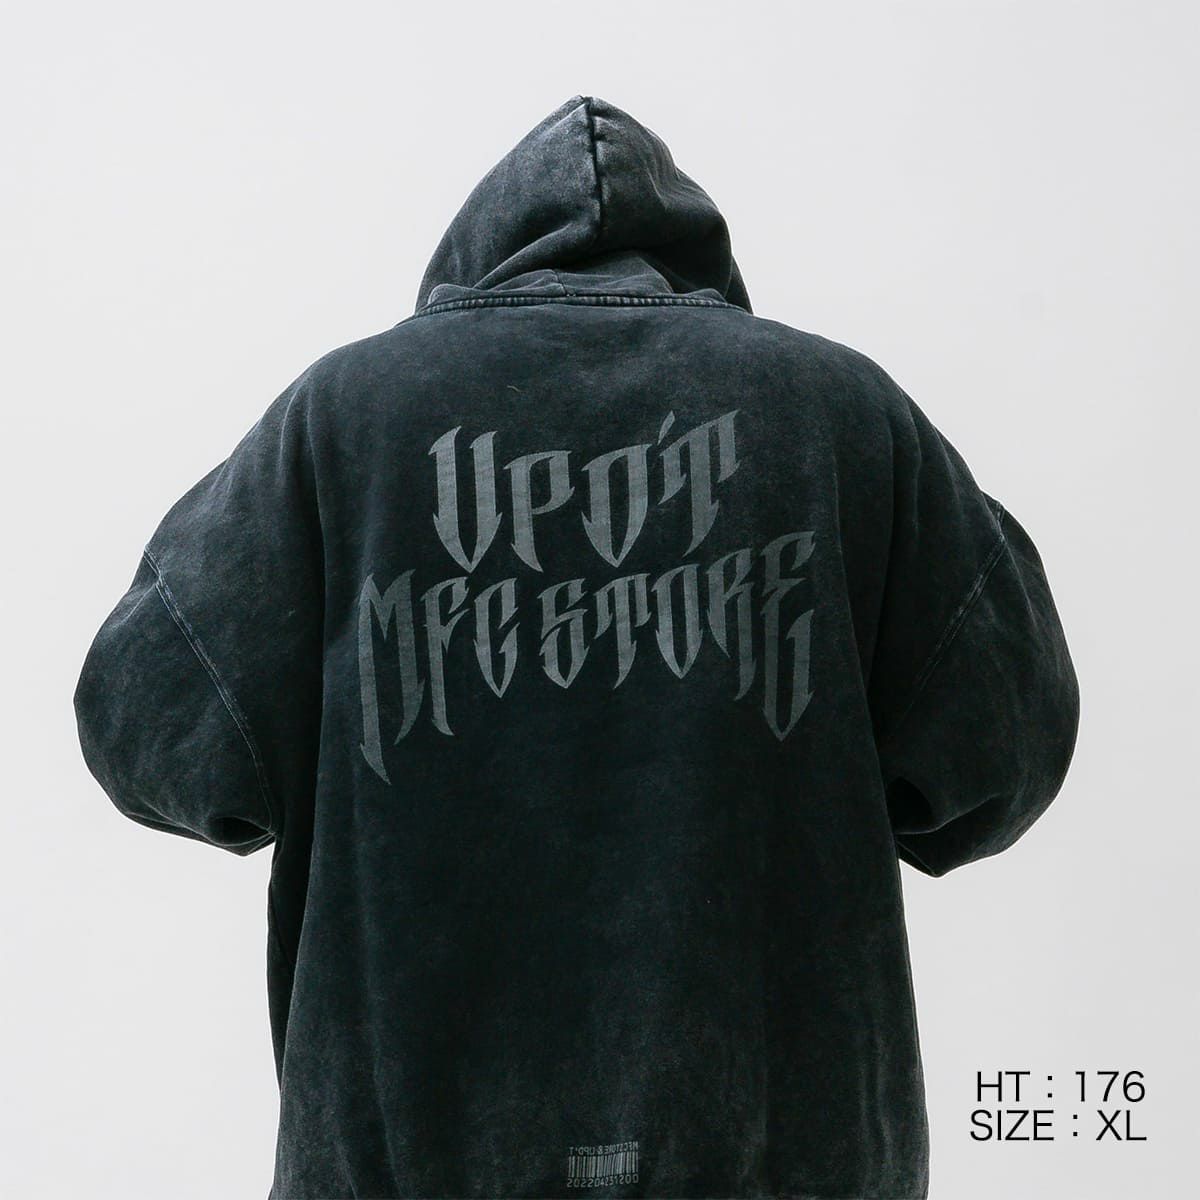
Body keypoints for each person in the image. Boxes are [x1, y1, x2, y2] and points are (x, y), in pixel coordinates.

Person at [73, 94, 1081, 1200]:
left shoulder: (341, 418)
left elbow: (150, 730)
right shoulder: (844, 414)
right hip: (786, 1160)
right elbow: (1002, 751)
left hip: (408, 1163)